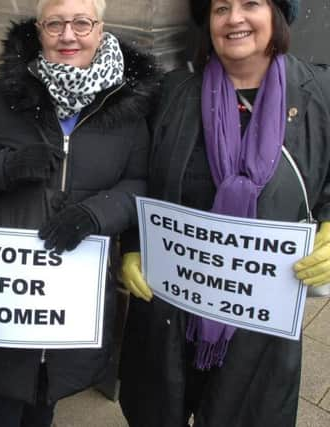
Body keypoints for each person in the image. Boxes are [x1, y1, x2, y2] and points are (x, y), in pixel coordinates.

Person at [0, 0, 159, 425]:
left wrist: (97, 213)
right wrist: (5, 167)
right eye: (55, 23)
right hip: (6, 292)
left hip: (70, 296)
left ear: (100, 28)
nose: (68, 35)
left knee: (45, 400)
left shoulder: (128, 112)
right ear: (38, 30)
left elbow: (140, 184)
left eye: (81, 23)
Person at [118, 0, 330, 425]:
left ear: (277, 15)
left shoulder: (319, 93)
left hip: (260, 319)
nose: (234, 18)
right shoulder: (172, 91)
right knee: (159, 408)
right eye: (220, 9)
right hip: (173, 307)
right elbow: (138, 176)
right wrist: (133, 247)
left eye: (251, 3)